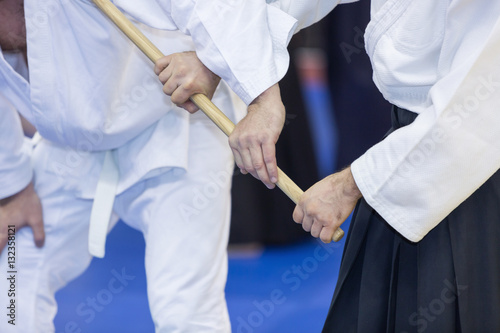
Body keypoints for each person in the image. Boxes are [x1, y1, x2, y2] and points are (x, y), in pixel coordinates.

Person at [0, 0, 352, 332]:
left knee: (187, 309)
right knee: (13, 275)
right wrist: (12, 188)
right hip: (71, 147)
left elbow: (212, 6)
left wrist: (259, 96)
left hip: (175, 126)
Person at [227, 0, 500, 331]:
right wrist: (222, 60)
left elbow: (472, 115)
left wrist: (348, 186)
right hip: (403, 152)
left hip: (461, 174)